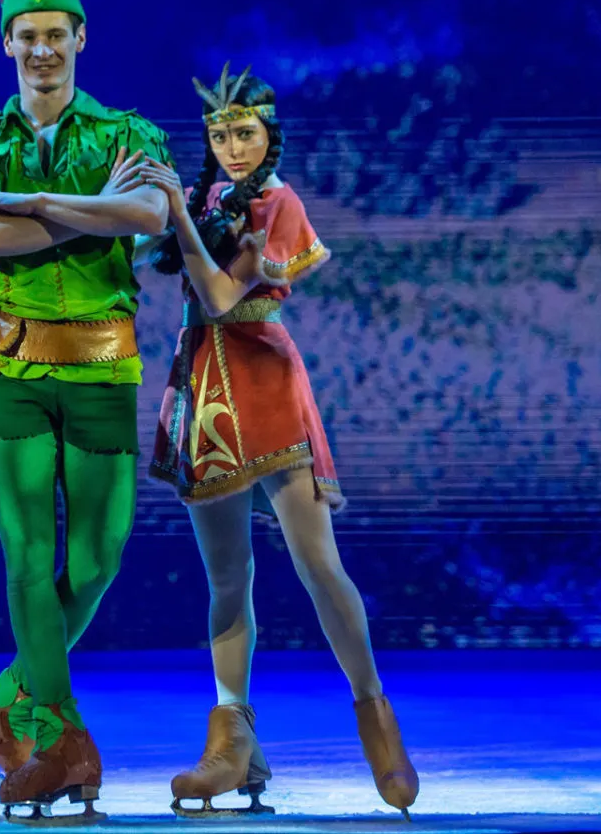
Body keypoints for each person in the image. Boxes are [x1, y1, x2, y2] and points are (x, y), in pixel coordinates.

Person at [139, 65, 419, 819]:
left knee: (317, 563)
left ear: (269, 136)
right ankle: (233, 738)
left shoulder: (277, 202)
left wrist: (180, 215)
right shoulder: (200, 200)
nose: (232, 147)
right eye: (219, 135)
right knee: (227, 577)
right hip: (204, 387)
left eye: (245, 133)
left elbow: (220, 296)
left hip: (262, 380)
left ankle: (375, 715)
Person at [0, 0, 170, 820]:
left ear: (81, 38)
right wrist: (97, 209)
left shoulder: (129, 133)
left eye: (56, 34)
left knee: (99, 559)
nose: (42, 49)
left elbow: (150, 216)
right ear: (7, 43)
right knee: (29, 559)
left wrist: (35, 203)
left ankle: (3, 700)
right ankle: (60, 738)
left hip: (104, 364)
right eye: (27, 35)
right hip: (12, 368)